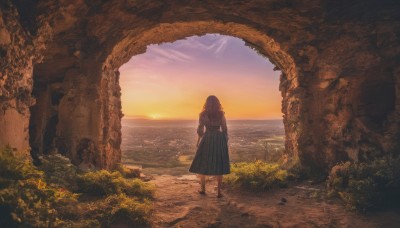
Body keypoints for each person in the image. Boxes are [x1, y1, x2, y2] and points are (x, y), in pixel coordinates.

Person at [189, 95, 230, 198]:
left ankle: (203, 189)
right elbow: (224, 129)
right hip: (218, 140)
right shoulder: (221, 114)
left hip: (206, 139)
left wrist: (198, 141)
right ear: (218, 103)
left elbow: (200, 130)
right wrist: (224, 141)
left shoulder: (202, 114)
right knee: (219, 164)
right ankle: (219, 192)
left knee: (203, 163)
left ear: (206, 103)